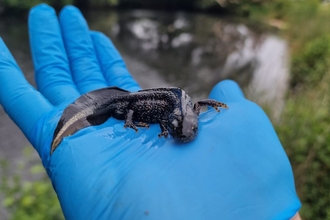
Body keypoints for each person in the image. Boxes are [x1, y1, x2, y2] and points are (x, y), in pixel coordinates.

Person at [0, 4, 302, 220]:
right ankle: (88, 119)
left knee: (131, 105)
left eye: (187, 131)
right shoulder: (177, 113)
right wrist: (134, 122)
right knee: (126, 107)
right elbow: (155, 112)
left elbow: (190, 110)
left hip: (154, 99)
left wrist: (214, 106)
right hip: (134, 100)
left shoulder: (190, 112)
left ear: (196, 122)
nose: (181, 135)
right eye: (178, 130)